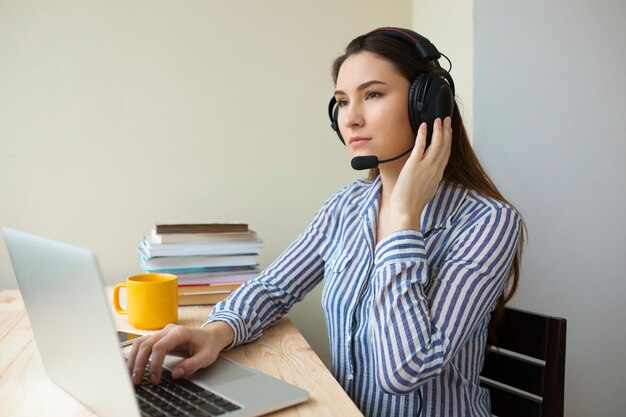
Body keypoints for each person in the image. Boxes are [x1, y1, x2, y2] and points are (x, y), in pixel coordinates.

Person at [127, 27, 525, 417]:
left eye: (372, 94)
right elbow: (273, 288)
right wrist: (213, 333)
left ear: (429, 104)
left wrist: (403, 220)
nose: (351, 118)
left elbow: (405, 371)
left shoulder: (487, 221)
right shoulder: (347, 206)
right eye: (341, 101)